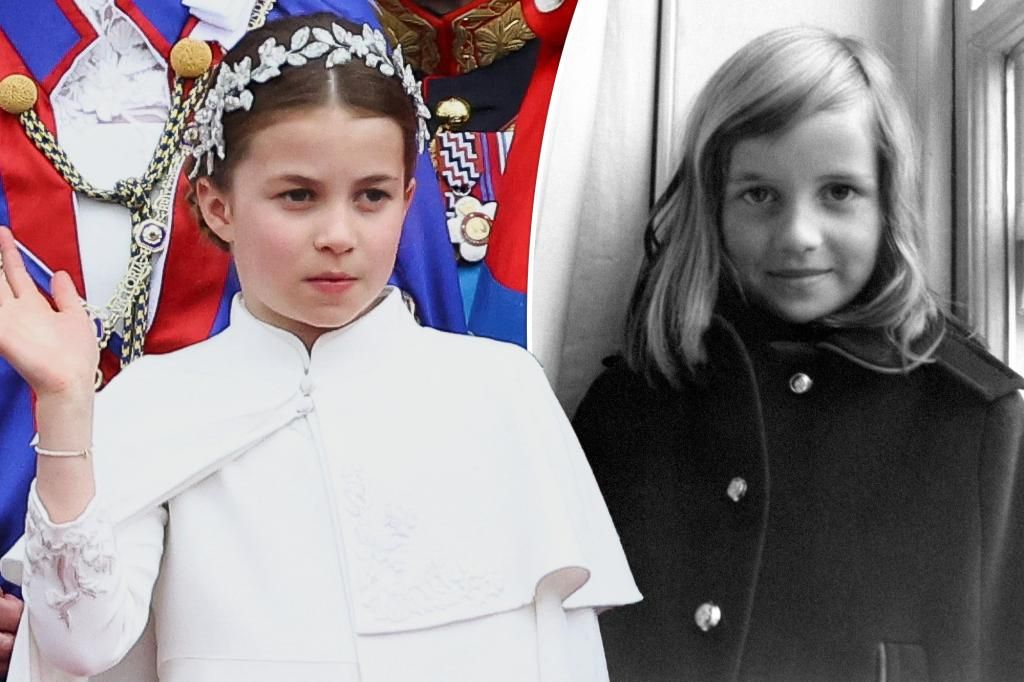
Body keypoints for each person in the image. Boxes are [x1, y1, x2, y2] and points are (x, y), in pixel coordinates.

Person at [0, 12, 639, 681]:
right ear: (219, 206)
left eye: (372, 196)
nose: (338, 233)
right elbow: (77, 649)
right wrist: (67, 403)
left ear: (409, 199)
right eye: (298, 196)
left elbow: (564, 657)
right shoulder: (151, 405)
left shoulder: (504, 392)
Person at [573, 26, 1024, 681]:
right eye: (759, 195)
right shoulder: (628, 410)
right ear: (714, 207)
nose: (799, 235)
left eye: (839, 192)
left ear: (888, 202)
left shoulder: (975, 419)